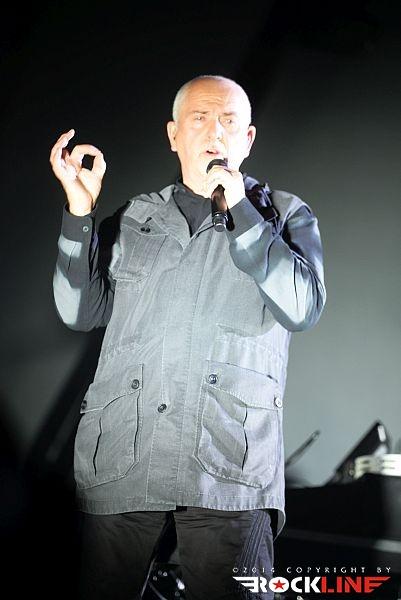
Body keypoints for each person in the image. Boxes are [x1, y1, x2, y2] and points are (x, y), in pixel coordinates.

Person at [50, 75, 326, 600]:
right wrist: (80, 215)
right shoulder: (134, 218)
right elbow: (77, 311)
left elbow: (302, 308)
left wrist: (243, 211)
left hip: (228, 469)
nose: (214, 132)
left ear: (247, 138)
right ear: (174, 135)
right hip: (125, 459)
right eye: (200, 119)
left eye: (228, 121)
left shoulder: (284, 214)